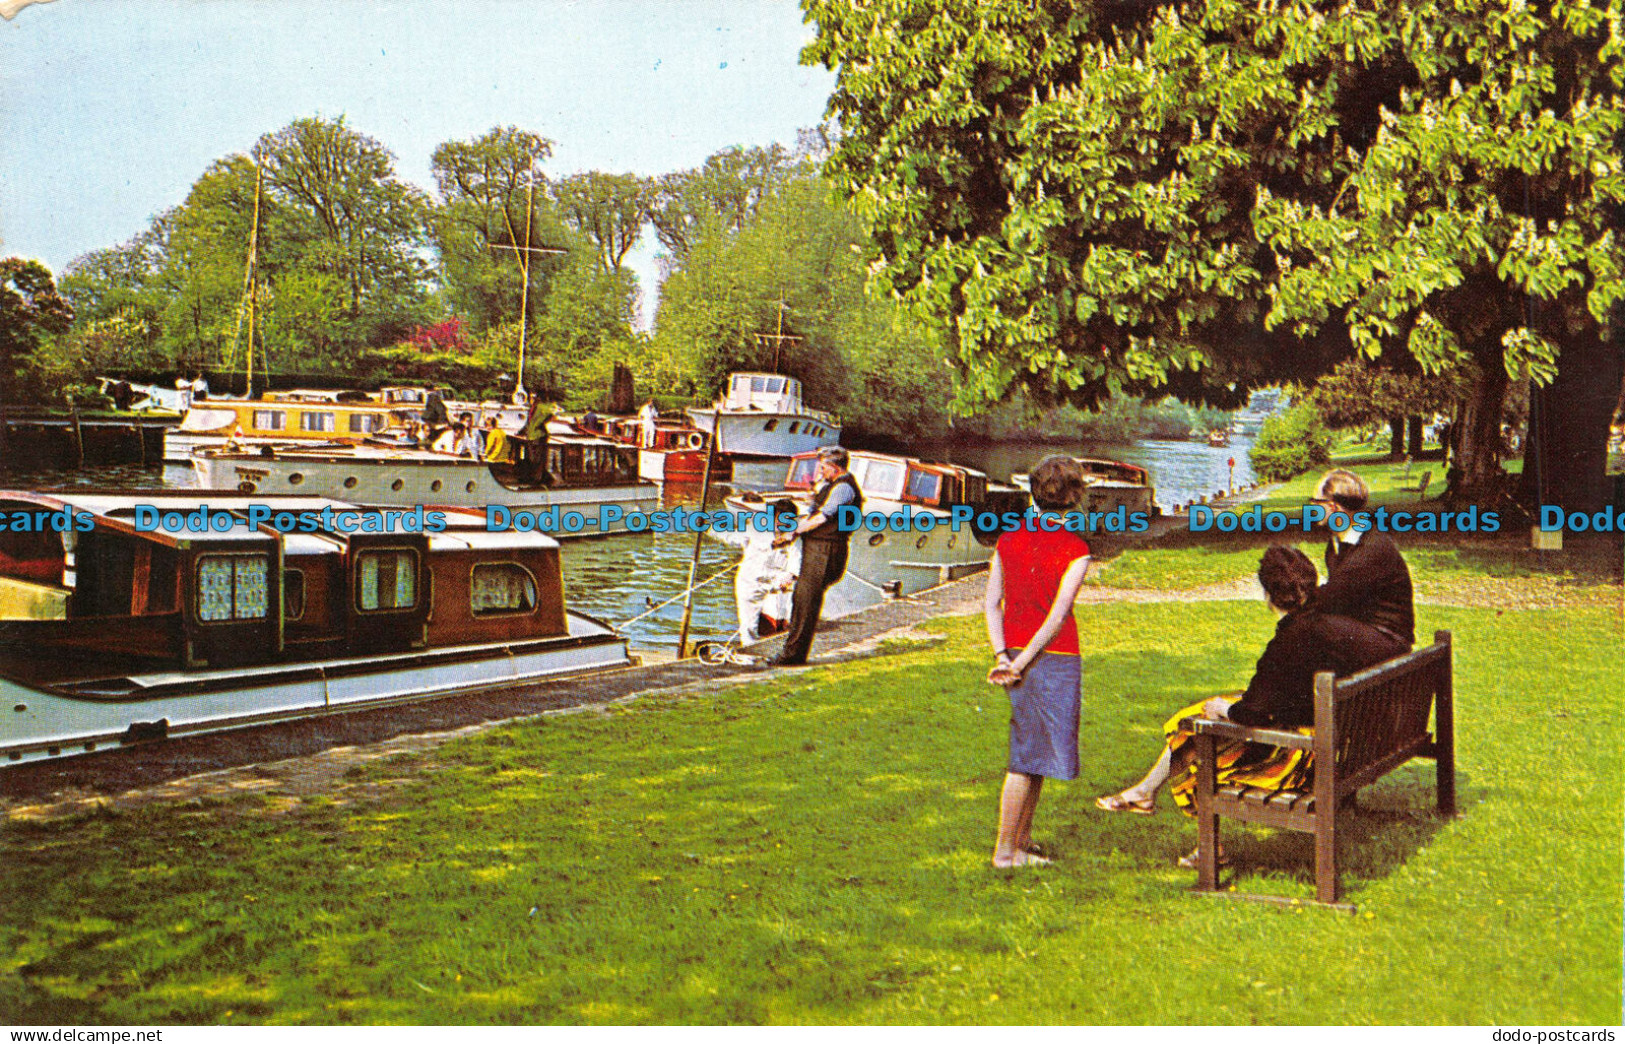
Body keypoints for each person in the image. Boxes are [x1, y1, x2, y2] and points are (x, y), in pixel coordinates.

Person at [1095, 546, 1405, 867]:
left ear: (1269, 594)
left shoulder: (1289, 641)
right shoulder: (1332, 623)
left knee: (1195, 737)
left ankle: (1200, 843)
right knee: (1200, 721)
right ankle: (1145, 792)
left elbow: (1252, 713)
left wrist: (1225, 710)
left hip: (1308, 760)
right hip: (1353, 743)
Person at [984, 455, 1091, 869]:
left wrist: (1004, 656)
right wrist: (1023, 661)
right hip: (1053, 656)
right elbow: (1058, 615)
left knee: (1036, 752)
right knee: (1027, 756)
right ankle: (1005, 852)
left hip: (1013, 652)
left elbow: (992, 603)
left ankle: (1021, 841)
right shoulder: (1075, 549)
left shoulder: (1007, 539)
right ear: (1075, 496)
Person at [765, 446, 861, 666]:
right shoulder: (832, 486)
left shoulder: (843, 489)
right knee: (801, 598)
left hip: (826, 551)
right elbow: (816, 514)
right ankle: (792, 652)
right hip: (818, 550)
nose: (821, 471)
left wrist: (795, 531)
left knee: (806, 601)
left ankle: (793, 656)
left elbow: (821, 519)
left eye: (824, 467)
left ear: (835, 468)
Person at [1309, 468, 1415, 650]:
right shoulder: (1338, 543)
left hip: (1389, 640)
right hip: (1364, 633)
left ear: (1333, 507)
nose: (1312, 507)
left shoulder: (1370, 549)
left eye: (1316, 502)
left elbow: (1329, 599)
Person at [735, 498, 801, 642]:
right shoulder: (758, 529)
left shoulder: (793, 536)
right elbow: (768, 542)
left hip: (776, 579)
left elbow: (796, 558)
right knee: (748, 626)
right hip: (751, 581)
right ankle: (749, 657)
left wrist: (790, 575)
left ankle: (778, 647)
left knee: (782, 617)